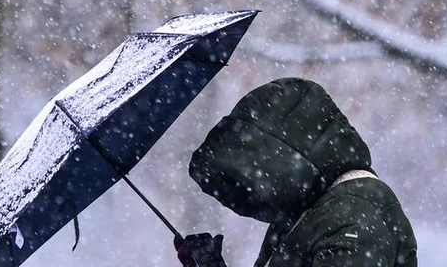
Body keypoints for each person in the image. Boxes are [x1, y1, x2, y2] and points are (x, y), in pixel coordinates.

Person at [174, 77, 417, 266]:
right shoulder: (309, 214)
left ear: (285, 154)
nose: (256, 188)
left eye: (254, 171)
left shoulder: (351, 216)